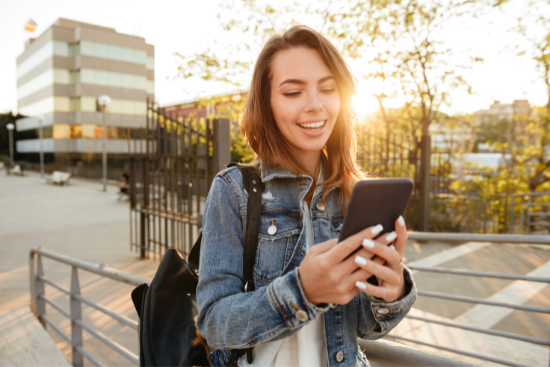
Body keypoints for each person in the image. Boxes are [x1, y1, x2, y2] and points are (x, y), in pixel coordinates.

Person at [197, 25, 417, 367]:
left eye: (327, 89)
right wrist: (302, 291)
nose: (315, 105)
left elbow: (364, 327)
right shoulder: (234, 191)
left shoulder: (350, 196)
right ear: (266, 103)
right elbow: (213, 323)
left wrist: (392, 291)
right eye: (292, 92)